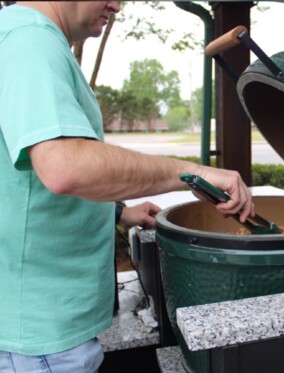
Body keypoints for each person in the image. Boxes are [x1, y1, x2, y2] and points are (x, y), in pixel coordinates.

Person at [0, 2, 255, 372]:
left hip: (37, 330)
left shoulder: (24, 35)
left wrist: (119, 211)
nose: (117, 5)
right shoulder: (30, 40)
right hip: (38, 338)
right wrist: (191, 172)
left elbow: (24, 180)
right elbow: (65, 166)